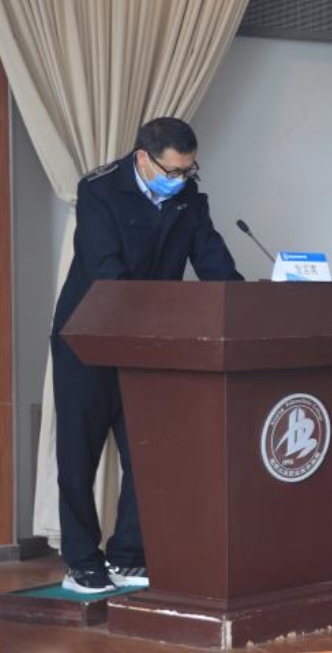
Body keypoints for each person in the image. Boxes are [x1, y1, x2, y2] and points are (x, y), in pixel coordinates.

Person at [50, 117, 242, 593]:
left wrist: (244, 302)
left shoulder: (189, 198)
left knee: (146, 452)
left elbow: (213, 261)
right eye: (172, 171)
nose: (180, 180)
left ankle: (128, 554)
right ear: (143, 158)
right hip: (88, 337)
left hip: (149, 342)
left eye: (188, 171)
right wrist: (167, 313)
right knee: (78, 454)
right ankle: (81, 560)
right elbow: (107, 272)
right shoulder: (98, 191)